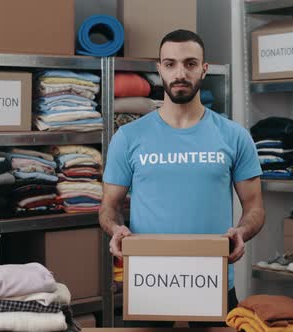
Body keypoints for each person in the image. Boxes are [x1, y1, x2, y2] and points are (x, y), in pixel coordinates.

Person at [99, 29, 265, 327]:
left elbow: (254, 206)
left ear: (204, 68)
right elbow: (108, 206)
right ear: (159, 68)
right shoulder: (128, 137)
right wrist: (116, 229)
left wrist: (241, 232)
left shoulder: (234, 135)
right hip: (148, 281)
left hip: (212, 279)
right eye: (170, 64)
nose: (180, 73)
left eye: (190, 63)